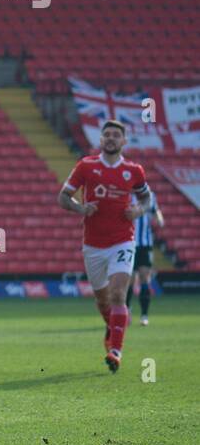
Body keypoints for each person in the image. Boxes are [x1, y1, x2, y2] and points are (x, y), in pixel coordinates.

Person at [57, 120, 153, 373]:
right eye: (107, 135)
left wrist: (139, 210)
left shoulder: (134, 170)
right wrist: (81, 208)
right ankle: (112, 327)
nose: (111, 138)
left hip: (123, 240)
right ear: (100, 140)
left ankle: (116, 350)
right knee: (103, 301)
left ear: (124, 141)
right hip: (93, 245)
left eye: (116, 135)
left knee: (119, 294)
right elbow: (63, 196)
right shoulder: (86, 166)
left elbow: (146, 197)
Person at [127, 192, 164, 326]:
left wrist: (159, 218)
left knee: (144, 277)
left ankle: (144, 315)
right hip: (128, 243)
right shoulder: (126, 195)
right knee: (129, 279)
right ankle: (127, 311)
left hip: (145, 244)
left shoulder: (150, 195)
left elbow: (155, 210)